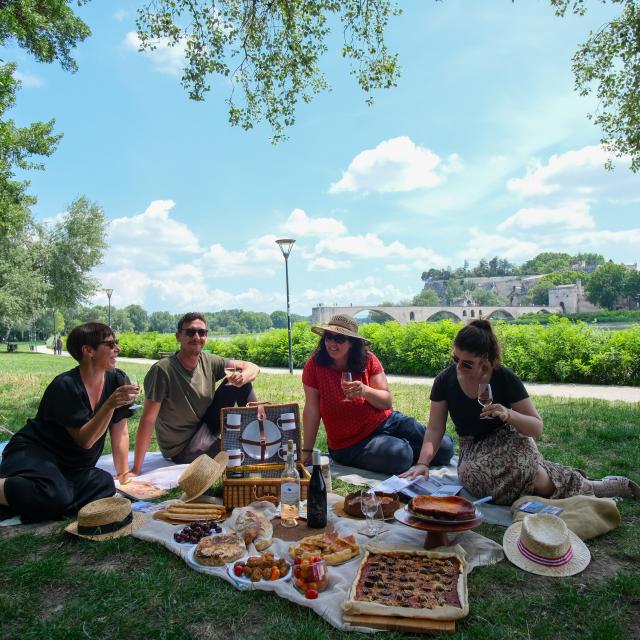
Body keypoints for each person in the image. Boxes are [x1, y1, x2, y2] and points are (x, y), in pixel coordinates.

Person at [401, 319, 640, 504]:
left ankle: (592, 488)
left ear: (485, 360)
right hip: (473, 445)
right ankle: (570, 483)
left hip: (509, 437)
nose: (459, 368)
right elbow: (434, 428)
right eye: (455, 359)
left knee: (528, 472)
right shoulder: (445, 380)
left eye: (467, 363)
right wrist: (422, 463)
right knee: (472, 475)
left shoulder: (504, 377)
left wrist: (508, 413)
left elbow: (536, 427)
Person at [0, 322, 136, 522]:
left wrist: (123, 475)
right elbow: (85, 441)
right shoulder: (66, 386)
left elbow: (120, 432)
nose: (118, 348)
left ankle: (48, 502)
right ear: (88, 350)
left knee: (105, 484)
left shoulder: (117, 380)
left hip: (71, 465)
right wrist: (109, 405)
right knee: (54, 494)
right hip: (36, 452)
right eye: (110, 344)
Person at [302, 314, 454, 475]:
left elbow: (386, 402)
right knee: (401, 456)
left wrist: (365, 391)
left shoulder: (367, 359)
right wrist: (307, 450)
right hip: (351, 444)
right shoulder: (315, 365)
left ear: (352, 343)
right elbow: (312, 410)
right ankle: (408, 450)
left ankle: (410, 450)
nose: (332, 343)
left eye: (339, 338)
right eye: (328, 337)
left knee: (444, 448)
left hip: (387, 422)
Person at [130, 312, 260, 474]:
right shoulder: (163, 370)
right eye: (190, 332)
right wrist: (136, 469)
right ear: (178, 336)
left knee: (240, 383)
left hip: (205, 426)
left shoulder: (209, 360)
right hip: (183, 446)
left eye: (202, 332)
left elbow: (252, 367)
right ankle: (256, 447)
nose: (196, 337)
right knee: (237, 452)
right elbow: (148, 419)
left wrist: (243, 377)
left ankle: (259, 434)